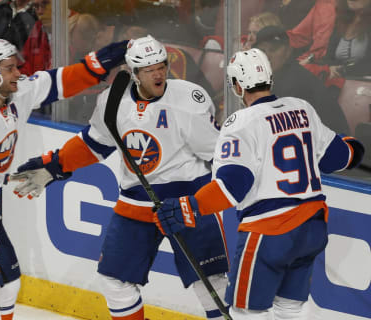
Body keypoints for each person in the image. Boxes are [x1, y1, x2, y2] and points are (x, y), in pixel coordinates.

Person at [9, 35, 230, 320]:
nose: (159, 73)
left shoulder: (189, 99)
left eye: (161, 65)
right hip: (137, 202)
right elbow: (95, 143)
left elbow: (219, 154)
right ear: (134, 73)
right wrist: (55, 165)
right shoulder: (114, 99)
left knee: (211, 281)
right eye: (149, 69)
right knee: (114, 280)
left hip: (187, 202)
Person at [0, 38, 129, 320]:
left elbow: (59, 82)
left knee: (8, 284)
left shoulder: (17, 92)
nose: (19, 72)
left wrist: (95, 66)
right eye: (10, 68)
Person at [153, 48, 364, 319]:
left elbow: (233, 186)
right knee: (290, 308)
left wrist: (188, 207)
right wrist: (355, 144)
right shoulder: (301, 109)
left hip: (270, 233)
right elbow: (340, 157)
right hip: (311, 228)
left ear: (237, 86)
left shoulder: (241, 123)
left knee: (246, 312)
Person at [254, 25, 350, 134]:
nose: (267, 56)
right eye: (262, 50)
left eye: (273, 50)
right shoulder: (270, 78)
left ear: (288, 52)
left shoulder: (296, 82)